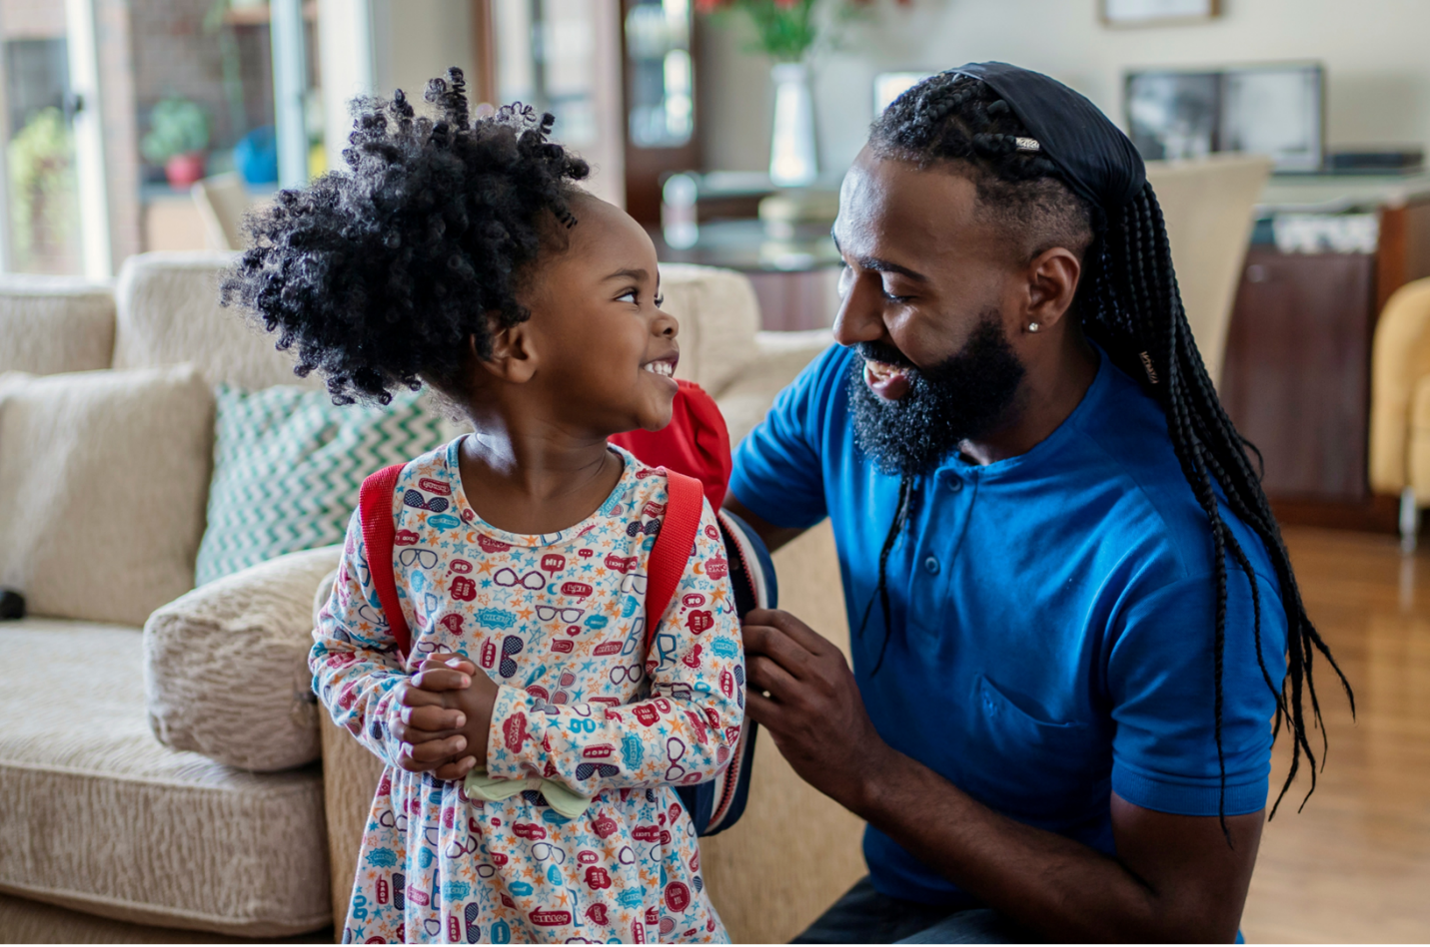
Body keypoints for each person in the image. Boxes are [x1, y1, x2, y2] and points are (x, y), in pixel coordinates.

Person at [724, 64, 1351, 945]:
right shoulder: (856, 391)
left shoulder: (1174, 561)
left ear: (1045, 291)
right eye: (845, 265)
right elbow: (712, 539)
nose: (847, 323)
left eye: (898, 289)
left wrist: (870, 771)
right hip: (914, 895)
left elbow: (1184, 922)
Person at [222, 70, 742, 945]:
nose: (665, 321)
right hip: (442, 899)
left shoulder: (671, 521)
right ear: (513, 343)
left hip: (616, 906)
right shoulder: (401, 509)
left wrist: (515, 727)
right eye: (629, 295)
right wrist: (394, 712)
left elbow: (705, 728)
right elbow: (340, 653)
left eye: (658, 295)